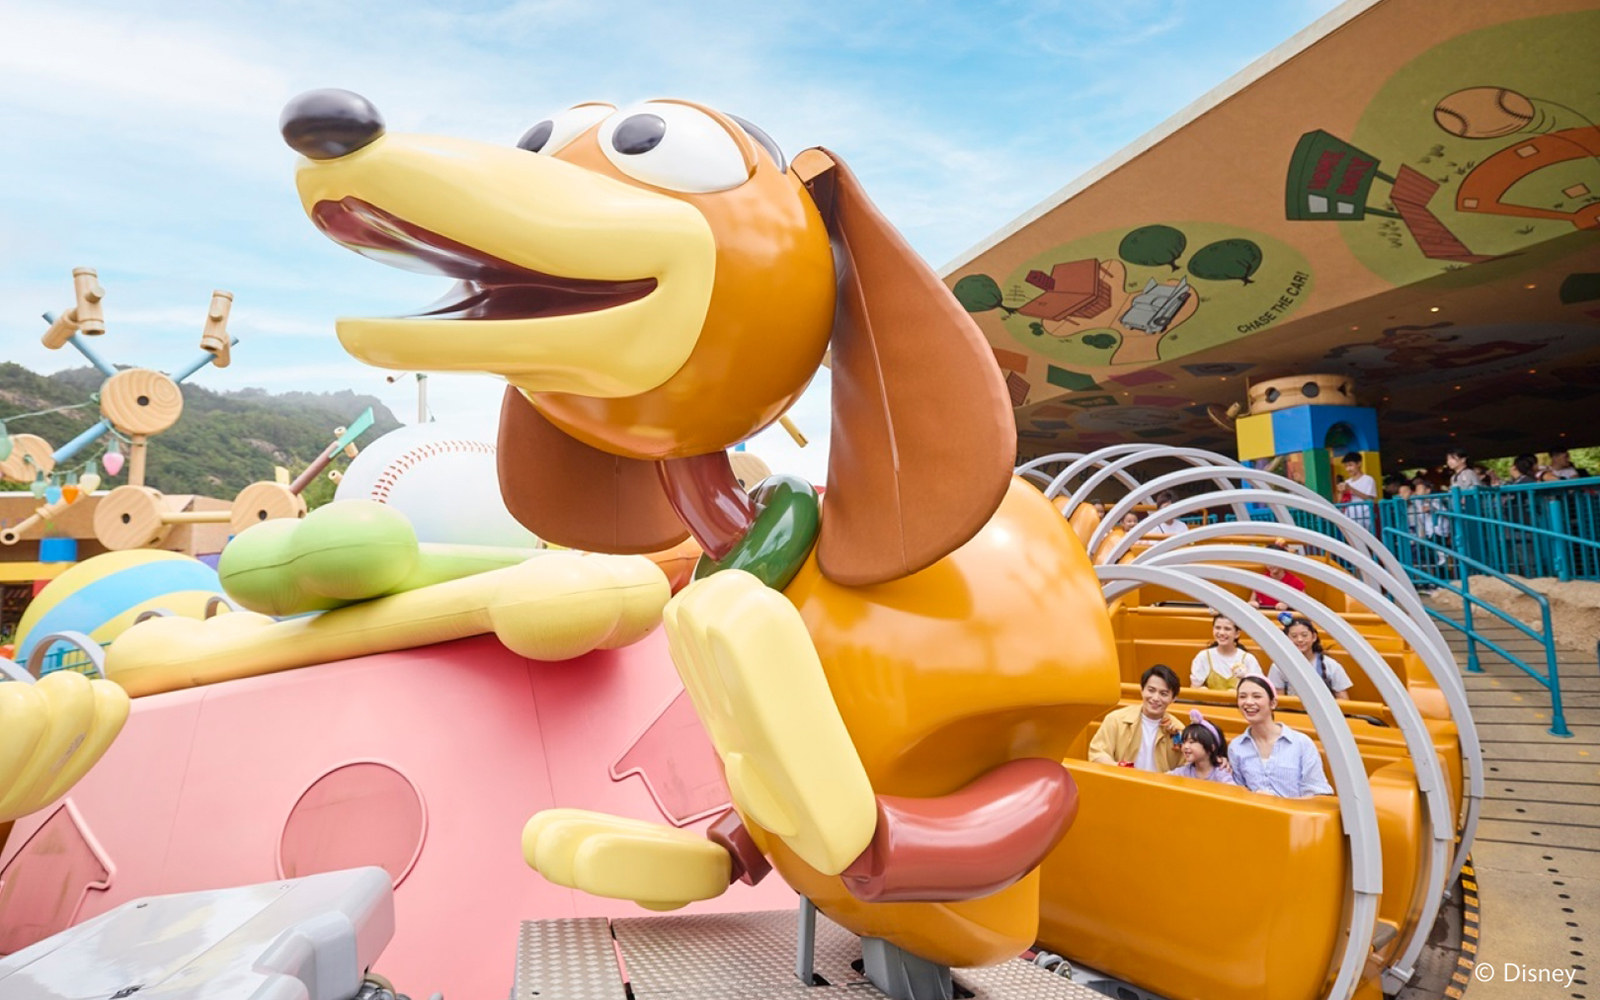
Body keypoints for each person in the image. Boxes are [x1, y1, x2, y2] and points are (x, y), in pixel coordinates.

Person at [1228, 676, 1334, 798]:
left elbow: (1316, 793)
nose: (1249, 702)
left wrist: (1277, 802)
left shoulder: (1301, 743)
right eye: (1242, 697)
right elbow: (1239, 793)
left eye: (1257, 696)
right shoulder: (1236, 747)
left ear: (1273, 703)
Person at [1087, 664, 1184, 772]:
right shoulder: (1115, 719)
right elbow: (1098, 753)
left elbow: (1187, 766)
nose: (1155, 698)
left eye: (1163, 694)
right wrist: (1119, 768)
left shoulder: (1179, 730)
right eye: (1151, 690)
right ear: (1142, 690)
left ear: (1173, 698)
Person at [1267, 617, 1353, 701]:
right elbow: (1279, 700)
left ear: (1314, 637)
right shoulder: (1278, 666)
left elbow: (1343, 699)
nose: (1300, 640)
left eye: (1304, 635)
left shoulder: (1331, 665)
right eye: (1294, 636)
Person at [1189, 614, 1264, 691]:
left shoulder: (1248, 659)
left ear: (1237, 633)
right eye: (1217, 628)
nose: (1221, 632)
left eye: (1227, 629)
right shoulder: (1203, 656)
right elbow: (1194, 688)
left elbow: (1258, 689)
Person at [1167, 710, 1234, 784]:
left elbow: (1232, 790)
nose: (1185, 746)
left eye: (1191, 742)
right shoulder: (1185, 771)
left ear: (1211, 748)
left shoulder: (1221, 773)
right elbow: (1164, 779)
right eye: (1184, 742)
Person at [1248, 540, 1306, 611]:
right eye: (1267, 560)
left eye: (1274, 560)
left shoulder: (1296, 582)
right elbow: (1251, 603)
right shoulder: (1260, 581)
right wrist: (1252, 604)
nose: (1270, 565)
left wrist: (1289, 605)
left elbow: (1305, 607)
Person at [1335, 452, 1377, 529]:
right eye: (1346, 466)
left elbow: (1370, 499)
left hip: (1364, 517)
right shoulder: (1347, 482)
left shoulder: (1368, 479)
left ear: (1359, 464)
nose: (1348, 469)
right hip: (1349, 517)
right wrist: (1341, 492)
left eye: (1350, 465)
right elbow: (1340, 501)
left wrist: (1351, 489)